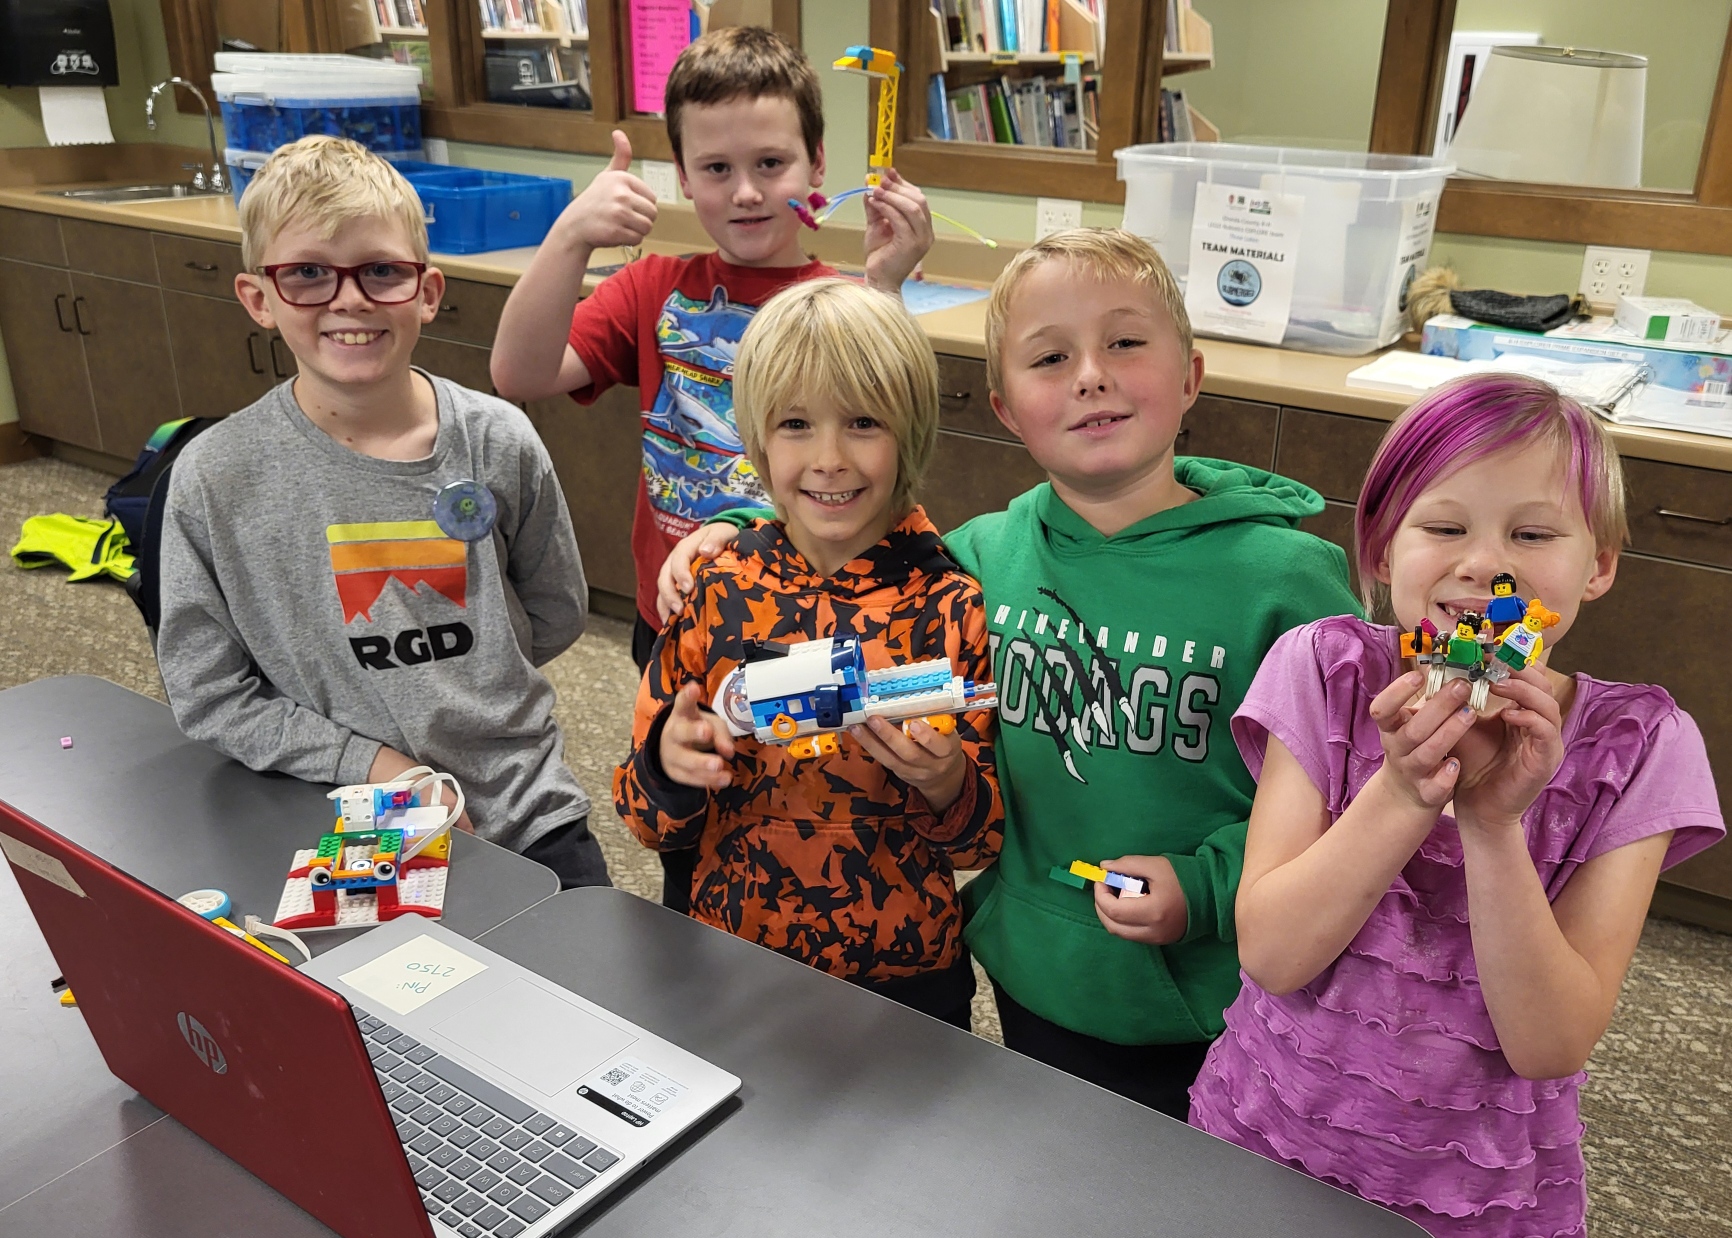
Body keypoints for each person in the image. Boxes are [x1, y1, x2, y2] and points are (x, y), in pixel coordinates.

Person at [656, 229, 1362, 1112]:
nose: (1091, 375)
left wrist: (1210, 884)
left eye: (1126, 342)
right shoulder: (977, 559)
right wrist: (742, 524)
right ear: (1004, 408)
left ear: (1191, 375)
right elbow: (849, 519)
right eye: (1051, 357)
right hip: (1032, 975)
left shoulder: (1291, 582)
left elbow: (1342, 801)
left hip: (1220, 1000)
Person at [1188, 373, 1724, 1238]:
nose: (1484, 566)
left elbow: (1552, 1038)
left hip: (1464, 1212)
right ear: (1382, 548)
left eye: (1531, 535)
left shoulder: (1642, 744)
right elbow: (1271, 948)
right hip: (1273, 1138)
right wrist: (1398, 794)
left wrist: (1491, 821)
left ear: (1596, 564)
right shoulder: (1324, 668)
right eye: (1444, 526)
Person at [490, 25, 934, 910]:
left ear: (816, 163)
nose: (745, 192)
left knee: (822, 815)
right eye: (717, 169)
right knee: (687, 814)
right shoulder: (654, 288)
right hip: (683, 621)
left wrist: (888, 284)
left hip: (814, 615)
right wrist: (572, 235)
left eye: (771, 163)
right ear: (682, 177)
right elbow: (520, 374)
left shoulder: (841, 301)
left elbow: (884, 452)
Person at [156, 135, 608, 889]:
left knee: (586, 991)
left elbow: (556, 609)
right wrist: (376, 764)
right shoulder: (215, 476)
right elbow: (210, 695)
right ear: (258, 298)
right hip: (343, 818)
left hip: (530, 813)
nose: (350, 299)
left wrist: (473, 677)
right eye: (306, 273)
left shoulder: (498, 438)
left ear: (427, 291)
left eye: (381, 271)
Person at [614, 279, 1002, 1028]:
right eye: (795, 424)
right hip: (732, 958)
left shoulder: (953, 603)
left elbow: (982, 839)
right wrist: (669, 765)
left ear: (912, 430)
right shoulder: (715, 586)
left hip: (905, 982)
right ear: (757, 438)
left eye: (863, 422)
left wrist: (949, 781)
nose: (828, 458)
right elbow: (640, 816)